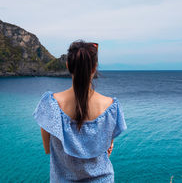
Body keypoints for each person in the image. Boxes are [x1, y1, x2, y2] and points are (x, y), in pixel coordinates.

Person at [33, 40, 127, 182]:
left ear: (68, 66)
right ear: (94, 67)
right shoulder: (111, 108)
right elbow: (107, 149)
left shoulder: (50, 105)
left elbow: (48, 149)